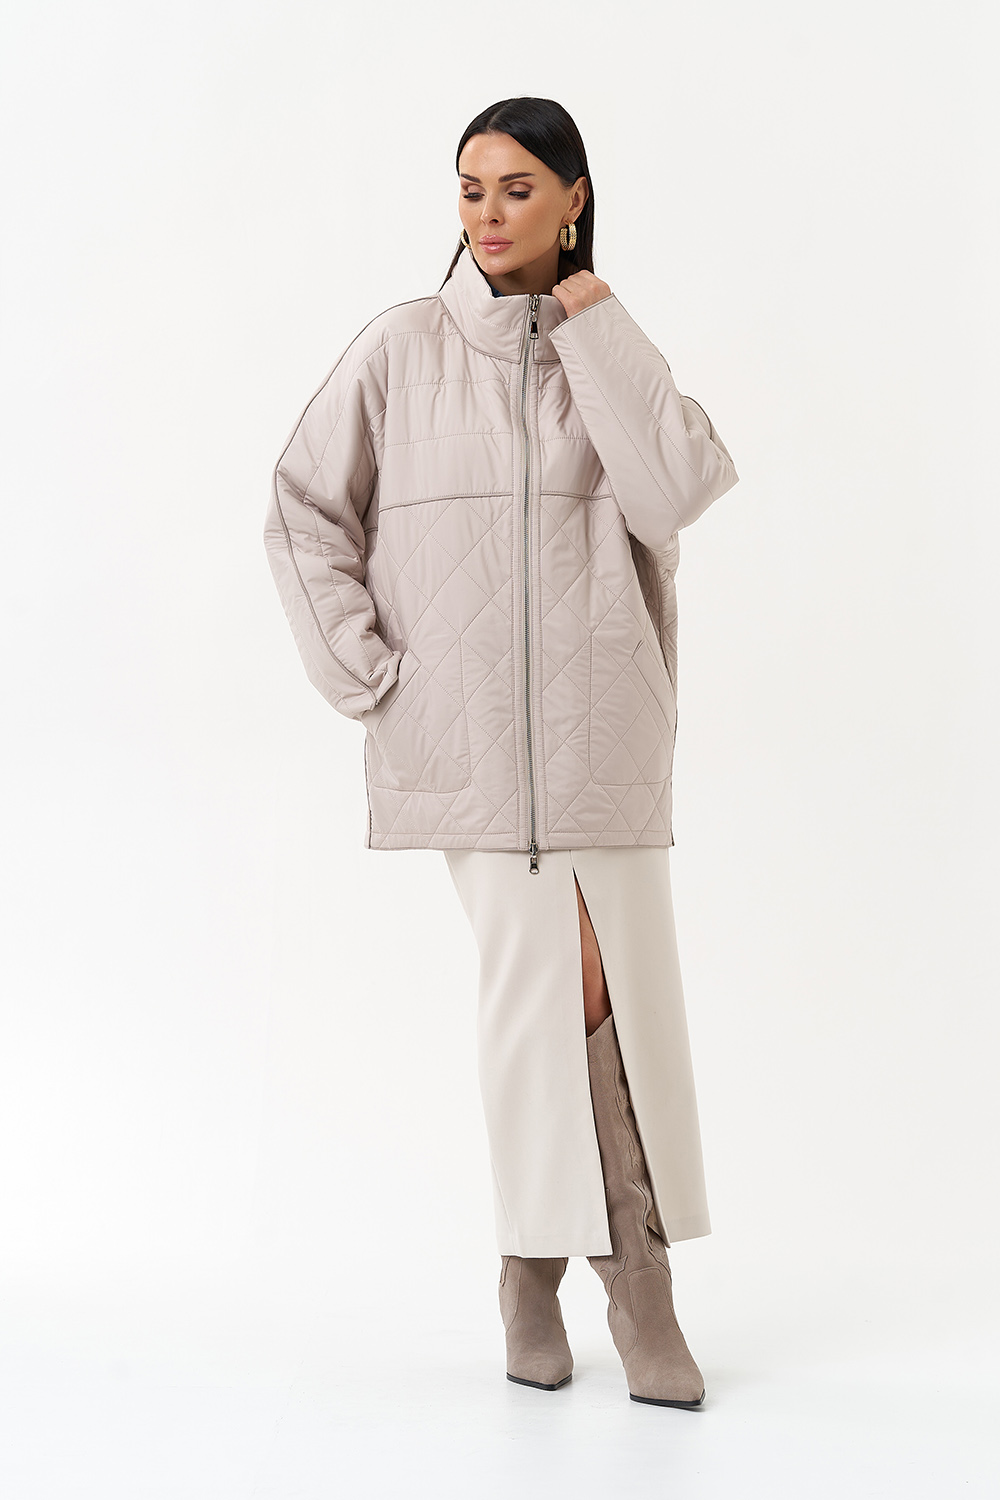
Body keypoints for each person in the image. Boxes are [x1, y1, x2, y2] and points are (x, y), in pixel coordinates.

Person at [263, 96, 739, 1409]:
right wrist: (371, 675)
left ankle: (532, 1270)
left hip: (603, 739)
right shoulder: (401, 349)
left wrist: (596, 320)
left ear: (574, 198)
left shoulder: (605, 348)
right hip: (466, 749)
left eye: (518, 188)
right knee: (558, 990)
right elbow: (302, 507)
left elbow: (677, 492)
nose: (488, 213)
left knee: (601, 1000)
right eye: (470, 189)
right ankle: (637, 1286)